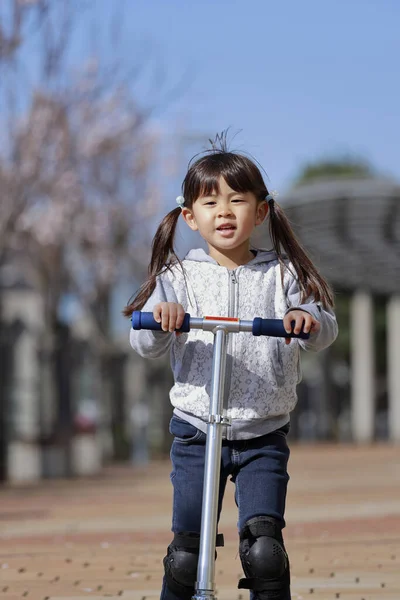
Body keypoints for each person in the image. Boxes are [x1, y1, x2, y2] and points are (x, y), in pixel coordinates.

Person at [125, 133, 338, 600]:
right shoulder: (177, 278)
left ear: (260, 211)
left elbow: (324, 328)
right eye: (210, 202)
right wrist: (163, 321)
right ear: (190, 217)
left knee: (264, 550)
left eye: (238, 200)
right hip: (197, 431)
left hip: (262, 433)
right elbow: (144, 342)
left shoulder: (284, 276)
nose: (224, 211)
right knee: (186, 554)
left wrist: (305, 319)